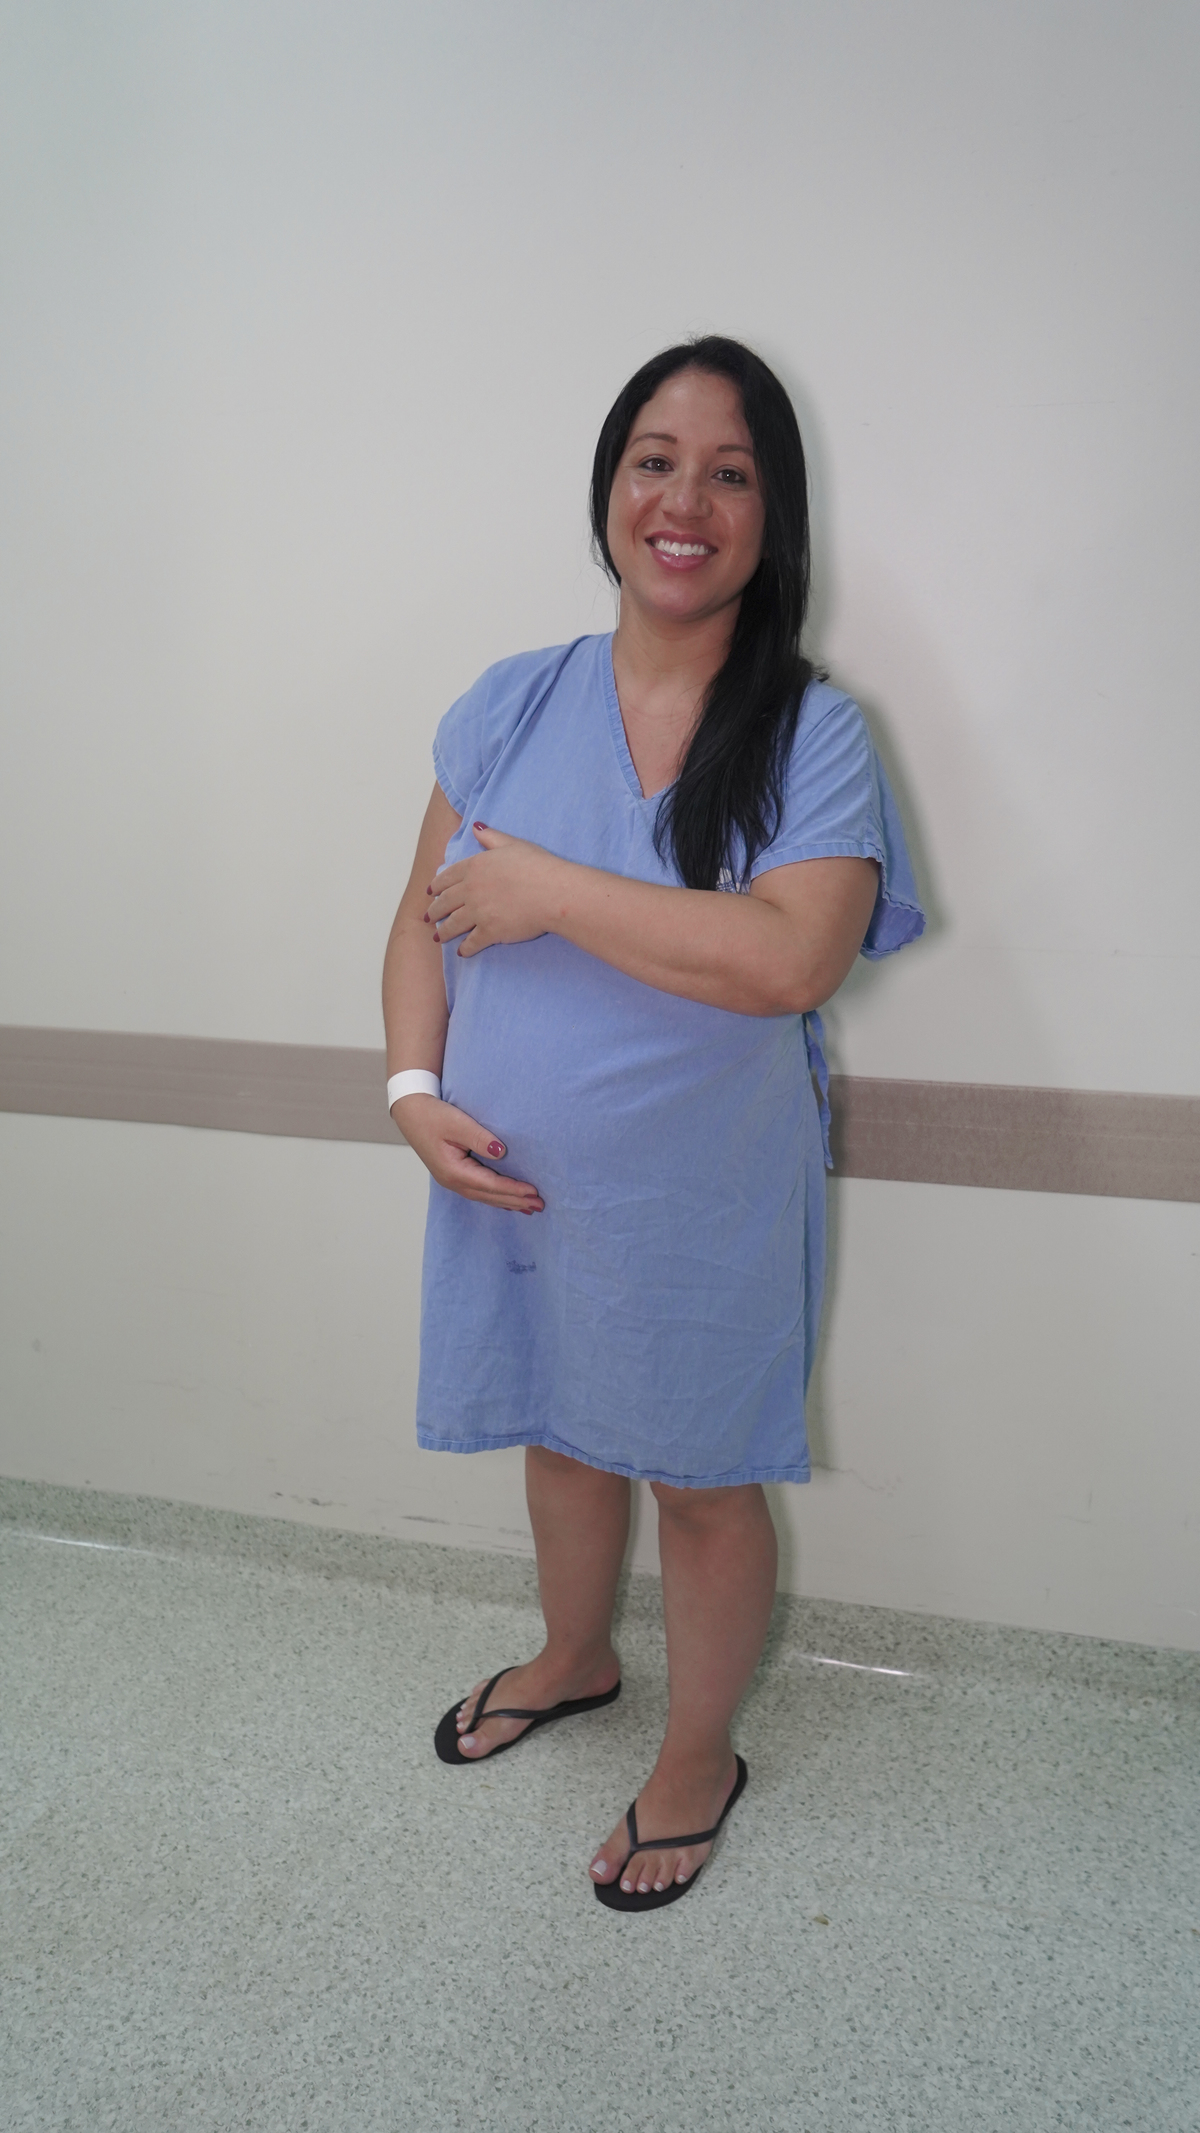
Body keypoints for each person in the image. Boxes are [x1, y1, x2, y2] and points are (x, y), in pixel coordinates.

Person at [381, 336, 924, 1912]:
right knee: (556, 1433)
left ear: (774, 513)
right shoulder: (509, 704)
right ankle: (574, 1653)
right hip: (513, 1177)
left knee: (697, 1479)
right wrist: (413, 1090)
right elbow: (419, 919)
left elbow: (791, 957)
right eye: (655, 461)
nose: (684, 500)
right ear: (610, 488)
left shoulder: (812, 731)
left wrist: (551, 888)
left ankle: (698, 1754)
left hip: (700, 1201)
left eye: (730, 471)